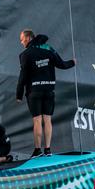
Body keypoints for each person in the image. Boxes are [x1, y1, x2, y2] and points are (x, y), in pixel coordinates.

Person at [16, 29, 76, 158]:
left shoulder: (25, 54)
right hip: (48, 90)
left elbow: (23, 77)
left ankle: (37, 150)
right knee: (47, 120)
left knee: (37, 120)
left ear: (28, 38)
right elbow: (62, 64)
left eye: (22, 39)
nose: (21, 42)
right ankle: (48, 150)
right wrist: (72, 62)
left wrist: (19, 94)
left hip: (34, 91)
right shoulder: (48, 49)